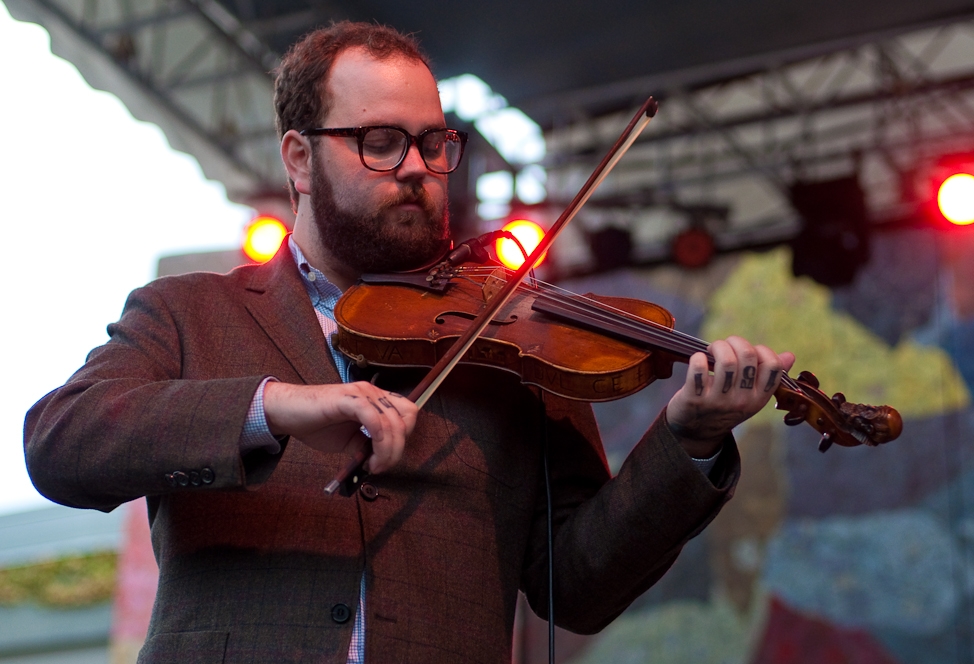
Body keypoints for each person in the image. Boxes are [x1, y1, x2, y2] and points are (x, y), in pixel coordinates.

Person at [24, 21, 794, 664]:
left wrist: (686, 440)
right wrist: (274, 408)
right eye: (383, 142)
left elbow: (582, 584)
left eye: (434, 143)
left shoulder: (509, 342)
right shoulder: (188, 312)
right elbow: (61, 441)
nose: (420, 170)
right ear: (298, 158)